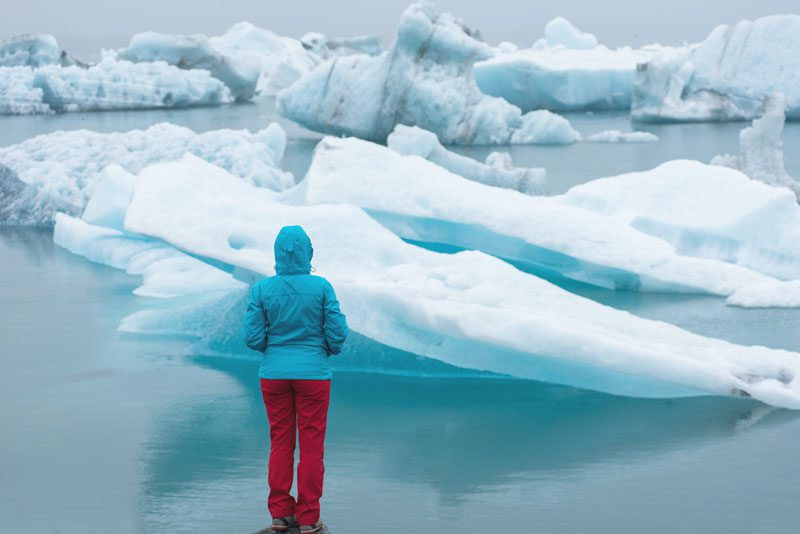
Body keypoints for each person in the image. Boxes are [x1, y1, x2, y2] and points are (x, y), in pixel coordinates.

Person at [244, 225, 348, 533]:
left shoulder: (262, 289)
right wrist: (324, 350)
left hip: (273, 375)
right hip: (314, 376)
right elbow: (338, 333)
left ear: (277, 254)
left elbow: (252, 337)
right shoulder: (322, 287)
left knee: (280, 442)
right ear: (309, 253)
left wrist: (272, 350)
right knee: (312, 446)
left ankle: (280, 515)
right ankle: (308, 518)